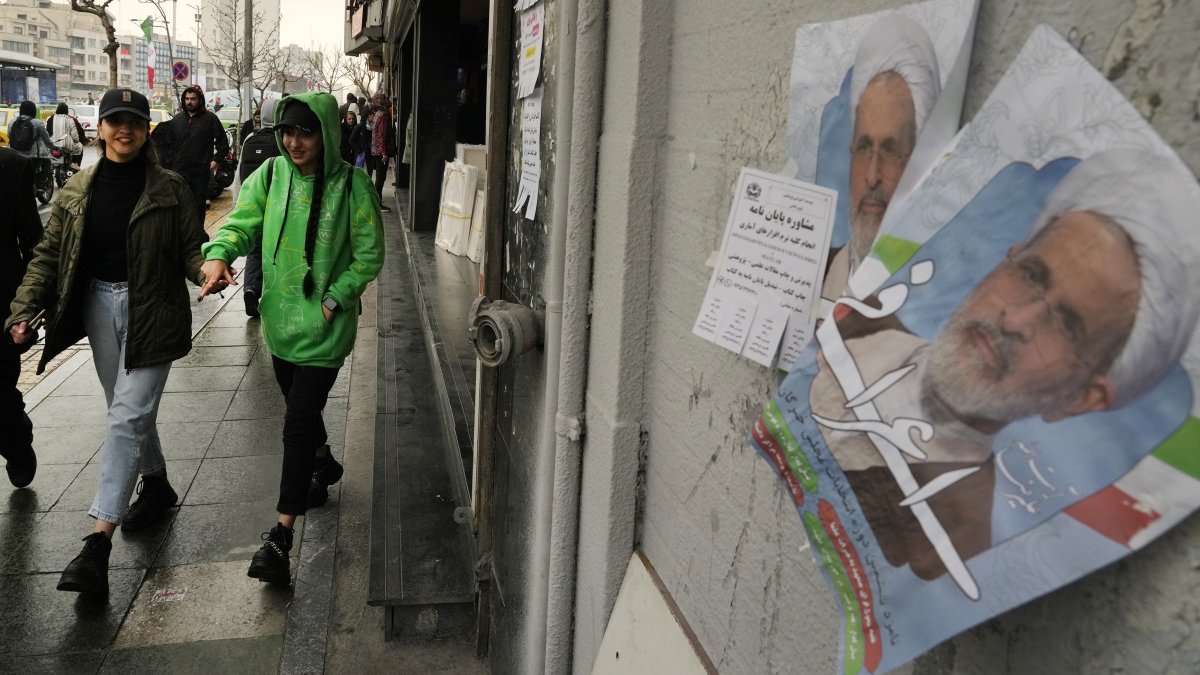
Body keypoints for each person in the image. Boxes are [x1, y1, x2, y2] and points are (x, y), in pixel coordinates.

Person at [809, 149, 1199, 580]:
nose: (1016, 320)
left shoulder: (948, 545)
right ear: (1002, 262)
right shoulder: (852, 311)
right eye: (1030, 274)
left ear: (1083, 399)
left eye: (1067, 326)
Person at [6, 88, 209, 596]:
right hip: (98, 305)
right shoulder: (77, 189)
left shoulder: (171, 188)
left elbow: (190, 249)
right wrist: (23, 308)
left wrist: (208, 267)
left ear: (147, 131)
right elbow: (48, 255)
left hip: (155, 309)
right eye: (116, 121)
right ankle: (156, 485)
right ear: (100, 127)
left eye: (135, 123)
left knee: (125, 417)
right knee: (126, 409)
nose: (125, 131)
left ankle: (97, 542)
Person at [198, 92, 384, 585]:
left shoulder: (354, 186)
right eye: (287, 131)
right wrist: (219, 255)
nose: (294, 141)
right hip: (279, 324)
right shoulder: (270, 176)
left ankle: (280, 538)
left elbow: (369, 256)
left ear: (325, 132)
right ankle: (325, 464)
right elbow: (239, 223)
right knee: (300, 411)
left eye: (305, 131)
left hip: (325, 327)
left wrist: (333, 299)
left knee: (298, 421)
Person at [822, 18, 941, 300]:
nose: (872, 175)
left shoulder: (934, 298)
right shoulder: (817, 274)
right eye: (863, 147)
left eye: (890, 150)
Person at [0, 147, 42, 488]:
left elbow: (32, 241)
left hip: (2, 303)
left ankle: (15, 441)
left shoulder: (13, 166)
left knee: (0, 392)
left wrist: (30, 308)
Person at [233, 97, 281, 317]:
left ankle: (251, 288)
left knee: (254, 250)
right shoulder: (283, 139)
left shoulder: (250, 138)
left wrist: (238, 203)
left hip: (253, 203)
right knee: (275, 251)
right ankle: (274, 293)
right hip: (277, 206)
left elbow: (239, 173)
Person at [165, 85, 230, 223]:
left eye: (193, 99)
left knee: (198, 209)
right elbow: (168, 144)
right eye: (187, 99)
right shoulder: (177, 120)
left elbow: (223, 143)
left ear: (200, 100)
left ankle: (198, 239)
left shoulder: (210, 119)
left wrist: (216, 161)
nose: (189, 102)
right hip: (179, 174)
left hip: (200, 174)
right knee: (179, 209)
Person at [8, 100, 58, 189]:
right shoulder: (37, 123)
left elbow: (9, 136)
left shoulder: (12, 122)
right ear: (33, 110)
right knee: (47, 162)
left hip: (14, 154)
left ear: (21, 110)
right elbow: (47, 139)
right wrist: (54, 147)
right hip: (32, 155)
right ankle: (40, 183)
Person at [369, 92, 394, 212]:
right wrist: (384, 152)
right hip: (381, 152)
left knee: (379, 177)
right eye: (385, 99)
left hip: (375, 150)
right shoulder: (383, 115)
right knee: (380, 177)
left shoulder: (377, 114)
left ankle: (376, 202)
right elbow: (381, 136)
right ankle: (377, 203)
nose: (388, 100)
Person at [48, 102, 84, 167]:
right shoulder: (70, 119)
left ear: (57, 110)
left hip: (53, 146)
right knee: (79, 147)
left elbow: (48, 133)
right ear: (67, 110)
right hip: (67, 147)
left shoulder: (50, 119)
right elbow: (75, 137)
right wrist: (77, 142)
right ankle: (75, 166)